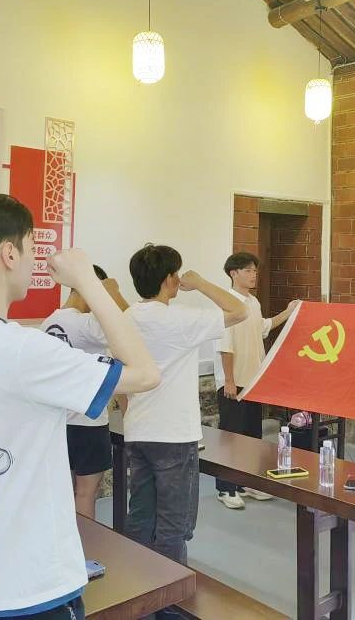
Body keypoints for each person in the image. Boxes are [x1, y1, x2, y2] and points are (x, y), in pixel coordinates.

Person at [0, 194, 159, 620]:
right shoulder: (25, 350)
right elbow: (146, 373)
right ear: (9, 254)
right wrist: (87, 280)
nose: (33, 260)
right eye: (30, 247)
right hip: (30, 591)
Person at [124, 244, 247, 577]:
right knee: (173, 526)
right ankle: (169, 597)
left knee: (140, 517)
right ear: (169, 279)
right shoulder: (178, 319)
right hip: (174, 436)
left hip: (137, 431)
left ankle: (139, 589)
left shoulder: (125, 318)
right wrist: (202, 283)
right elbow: (239, 310)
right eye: (176, 274)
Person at [40, 265, 129, 519]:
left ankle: (67, 541)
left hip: (58, 422)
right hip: (88, 423)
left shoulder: (49, 322)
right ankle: (85, 544)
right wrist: (113, 293)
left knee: (65, 492)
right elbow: (130, 325)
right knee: (86, 493)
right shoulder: (86, 323)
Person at [213, 252, 298, 509]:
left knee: (251, 436)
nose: (253, 275)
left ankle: (246, 483)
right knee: (231, 436)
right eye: (248, 270)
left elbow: (263, 327)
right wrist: (229, 380)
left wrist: (289, 312)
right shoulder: (227, 303)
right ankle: (225, 488)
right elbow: (224, 345)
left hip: (253, 382)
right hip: (233, 382)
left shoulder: (253, 302)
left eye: (255, 271)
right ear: (233, 273)